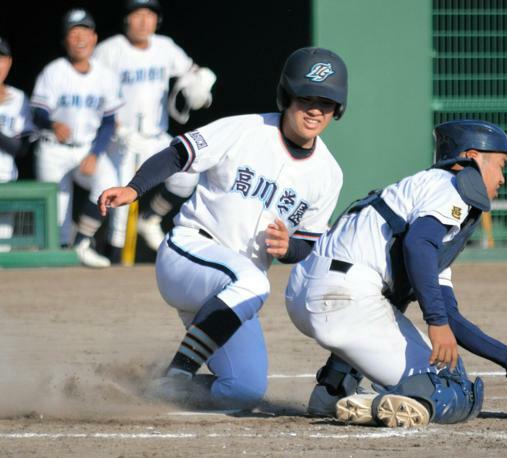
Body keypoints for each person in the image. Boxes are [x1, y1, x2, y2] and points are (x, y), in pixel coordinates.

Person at [98, 47, 347, 410]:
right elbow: (178, 154)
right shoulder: (244, 129)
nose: (315, 109)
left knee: (242, 390)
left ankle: (144, 387)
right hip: (190, 254)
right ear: (286, 96)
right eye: (306, 97)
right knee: (255, 282)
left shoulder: (328, 173)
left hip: (232, 295)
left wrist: (287, 248)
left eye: (326, 102)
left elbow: (307, 242)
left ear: (337, 109)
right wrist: (134, 189)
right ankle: (176, 375)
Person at [285, 120, 507, 427]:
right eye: (500, 164)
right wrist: (436, 321)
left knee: (392, 306)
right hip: (342, 299)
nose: (502, 178)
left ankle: (334, 390)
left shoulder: (420, 194)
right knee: (453, 391)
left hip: (308, 293)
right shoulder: (449, 187)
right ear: (471, 157)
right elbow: (419, 245)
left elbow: (449, 315)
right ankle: (377, 402)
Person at [73, 0, 217, 267]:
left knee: (188, 177)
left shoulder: (166, 47)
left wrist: (200, 83)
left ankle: (150, 218)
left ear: (156, 20)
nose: (143, 21)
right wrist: (109, 123)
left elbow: (193, 72)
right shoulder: (109, 50)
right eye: (137, 14)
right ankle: (101, 253)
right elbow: (90, 87)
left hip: (154, 136)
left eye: (149, 15)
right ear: (127, 19)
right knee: (116, 198)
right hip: (120, 139)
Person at [31, 9, 121, 250]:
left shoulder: (106, 76)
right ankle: (61, 263)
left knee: (108, 183)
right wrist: (51, 123)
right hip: (54, 150)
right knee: (58, 222)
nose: (80, 38)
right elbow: (37, 113)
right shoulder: (54, 71)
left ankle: (81, 243)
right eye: (74, 32)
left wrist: (95, 153)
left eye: (85, 31)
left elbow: (109, 122)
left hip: (86, 148)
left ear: (94, 37)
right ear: (65, 41)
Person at [0, 37, 34, 251]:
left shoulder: (19, 98)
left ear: (9, 62)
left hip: (6, 182)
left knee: (3, 254)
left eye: (0, 59)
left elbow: (22, 149)